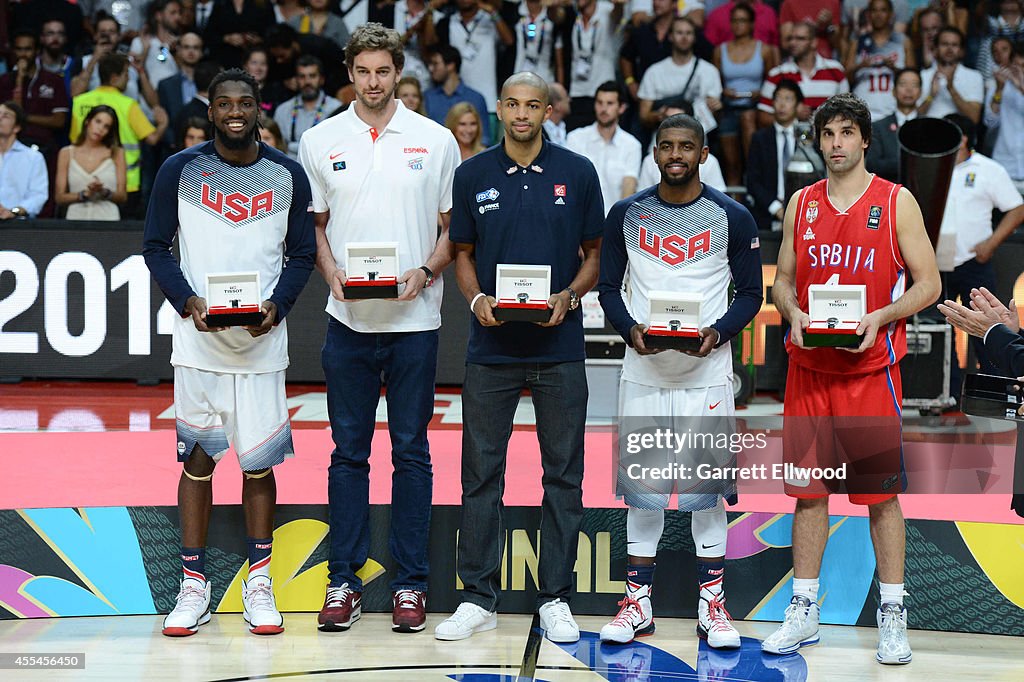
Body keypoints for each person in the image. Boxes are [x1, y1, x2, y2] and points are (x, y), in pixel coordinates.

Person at [762, 93, 940, 665]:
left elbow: (929, 284)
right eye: (828, 134)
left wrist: (883, 316)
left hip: (869, 371)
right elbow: (782, 281)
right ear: (817, 143)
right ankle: (804, 609)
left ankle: (892, 613)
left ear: (865, 139)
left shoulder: (895, 201)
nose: (836, 143)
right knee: (809, 495)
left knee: (880, 496)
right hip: (809, 370)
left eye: (846, 133)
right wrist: (790, 311)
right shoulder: (801, 203)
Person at [298, 23, 460, 635]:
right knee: (348, 454)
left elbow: (454, 228)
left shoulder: (436, 139)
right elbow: (313, 227)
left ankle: (411, 585)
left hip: (415, 321)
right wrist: (331, 272)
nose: (373, 82)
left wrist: (426, 270)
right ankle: (344, 581)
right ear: (351, 73)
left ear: (398, 73)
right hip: (348, 321)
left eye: (383, 72)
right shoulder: (318, 139)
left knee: (412, 453)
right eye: (363, 72)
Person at [142, 68, 316, 637]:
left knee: (258, 462)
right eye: (225, 104)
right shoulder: (178, 170)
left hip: (262, 345)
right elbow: (154, 246)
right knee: (198, 461)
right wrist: (187, 300)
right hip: (198, 343)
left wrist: (279, 306)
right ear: (210, 111)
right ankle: (194, 583)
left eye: (245, 102)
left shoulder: (288, 174)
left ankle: (258, 583)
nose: (236, 111)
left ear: (258, 110)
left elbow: (300, 255)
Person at [433, 71, 604, 644]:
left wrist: (572, 295)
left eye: (535, 105)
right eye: (514, 104)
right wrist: (476, 297)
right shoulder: (472, 173)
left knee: (564, 475)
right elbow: (462, 253)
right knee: (481, 473)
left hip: (559, 348)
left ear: (548, 111)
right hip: (491, 349)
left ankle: (554, 596)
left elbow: (597, 254)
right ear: (500, 109)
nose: (524, 114)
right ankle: (477, 596)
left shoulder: (577, 172)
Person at [596, 112, 763, 648]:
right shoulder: (625, 212)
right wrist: (630, 331)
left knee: (705, 495)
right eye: (666, 146)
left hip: (708, 376)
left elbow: (752, 295)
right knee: (643, 495)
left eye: (685, 146)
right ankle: (636, 603)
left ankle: (713, 607)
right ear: (654, 153)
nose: (675, 155)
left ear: (704, 153)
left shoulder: (732, 216)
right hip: (644, 371)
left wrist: (718, 332)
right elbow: (607, 290)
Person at [934, 113, 1024, 392]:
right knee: (939, 330)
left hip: (974, 260)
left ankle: (993, 390)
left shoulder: (988, 169)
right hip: (935, 262)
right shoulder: (931, 165)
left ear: (962, 137)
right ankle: (944, 393)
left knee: (986, 326)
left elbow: (1017, 208)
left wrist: (992, 243)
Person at [70, 52, 169, 217]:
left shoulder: (80, 102)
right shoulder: (128, 105)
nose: (128, 79)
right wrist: (163, 123)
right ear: (115, 77)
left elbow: (74, 140)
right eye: (126, 74)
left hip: (84, 179)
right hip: (124, 184)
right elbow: (152, 139)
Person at [713, 2, 778, 188]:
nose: (738, 25)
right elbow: (715, 82)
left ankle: (756, 197)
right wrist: (724, 92)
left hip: (754, 108)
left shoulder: (764, 49)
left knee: (753, 161)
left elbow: (772, 80)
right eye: (734, 21)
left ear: (751, 24)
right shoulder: (720, 50)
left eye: (742, 20)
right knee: (732, 165)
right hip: (729, 107)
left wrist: (759, 93)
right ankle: (736, 206)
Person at [566, 80, 642, 215]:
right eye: (599, 103)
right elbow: (569, 182)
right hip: (579, 220)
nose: (603, 109)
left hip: (613, 222)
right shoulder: (576, 138)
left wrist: (617, 225)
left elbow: (629, 186)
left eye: (610, 103)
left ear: (622, 108)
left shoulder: (632, 145)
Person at [638, 16, 723, 134]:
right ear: (670, 36)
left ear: (694, 38)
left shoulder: (709, 71)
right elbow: (643, 116)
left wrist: (717, 108)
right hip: (662, 140)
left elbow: (713, 115)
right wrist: (660, 115)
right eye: (679, 32)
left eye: (688, 33)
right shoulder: (654, 72)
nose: (684, 37)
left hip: (698, 141)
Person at [757, 21, 847, 127]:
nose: (793, 43)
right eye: (790, 38)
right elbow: (763, 117)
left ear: (814, 42)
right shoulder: (777, 74)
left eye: (800, 39)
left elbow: (846, 112)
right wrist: (792, 117)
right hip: (790, 140)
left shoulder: (835, 70)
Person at [843, 0, 914, 121]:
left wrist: (894, 68)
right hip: (862, 110)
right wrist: (861, 66)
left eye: (883, 10)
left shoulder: (903, 41)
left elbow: (913, 77)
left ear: (891, 14)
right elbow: (845, 78)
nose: (878, 15)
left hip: (893, 109)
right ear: (868, 15)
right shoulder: (857, 41)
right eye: (874, 10)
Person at [746, 79, 802, 230]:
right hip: (767, 215)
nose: (782, 104)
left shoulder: (807, 138)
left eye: (788, 99)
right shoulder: (760, 138)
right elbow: (752, 181)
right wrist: (776, 208)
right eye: (778, 99)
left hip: (803, 214)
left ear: (798, 105)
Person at [55, 104, 127, 220]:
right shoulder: (66, 153)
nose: (100, 129)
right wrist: (84, 195)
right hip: (75, 219)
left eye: (106, 126)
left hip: (108, 219)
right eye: (98, 122)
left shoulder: (117, 153)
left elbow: (122, 196)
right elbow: (59, 197)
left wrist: (103, 192)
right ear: (87, 121)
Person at [637, 98, 727, 190]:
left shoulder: (710, 162)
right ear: (656, 154)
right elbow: (642, 197)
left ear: (703, 155)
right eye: (666, 147)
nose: (675, 155)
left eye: (687, 147)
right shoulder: (649, 161)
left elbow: (718, 198)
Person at [273, 55, 341, 158]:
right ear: (296, 80)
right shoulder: (282, 110)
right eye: (302, 77)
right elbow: (276, 147)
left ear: (322, 79)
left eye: (312, 76)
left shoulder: (336, 109)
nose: (307, 82)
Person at [423, 45, 491, 145]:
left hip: (470, 157)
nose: (431, 68)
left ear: (450, 65)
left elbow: (484, 139)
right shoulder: (427, 97)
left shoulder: (476, 98)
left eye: (435, 64)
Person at [918, 27, 984, 123]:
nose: (949, 49)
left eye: (954, 45)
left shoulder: (974, 77)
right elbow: (914, 116)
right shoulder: (922, 76)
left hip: (960, 135)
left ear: (961, 50)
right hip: (927, 134)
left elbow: (974, 118)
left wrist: (951, 89)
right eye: (945, 44)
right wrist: (931, 96)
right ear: (935, 48)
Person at [865, 67, 920, 182]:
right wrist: (913, 162)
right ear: (894, 91)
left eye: (914, 85)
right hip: (888, 193)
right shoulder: (878, 127)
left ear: (920, 92)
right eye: (903, 84)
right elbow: (873, 165)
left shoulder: (929, 127)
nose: (909, 89)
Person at [0, 101, 49, 220]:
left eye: (6, 116)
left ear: (17, 127)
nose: (0, 118)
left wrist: (13, 211)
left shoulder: (33, 158)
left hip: (18, 226)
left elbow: (38, 196)